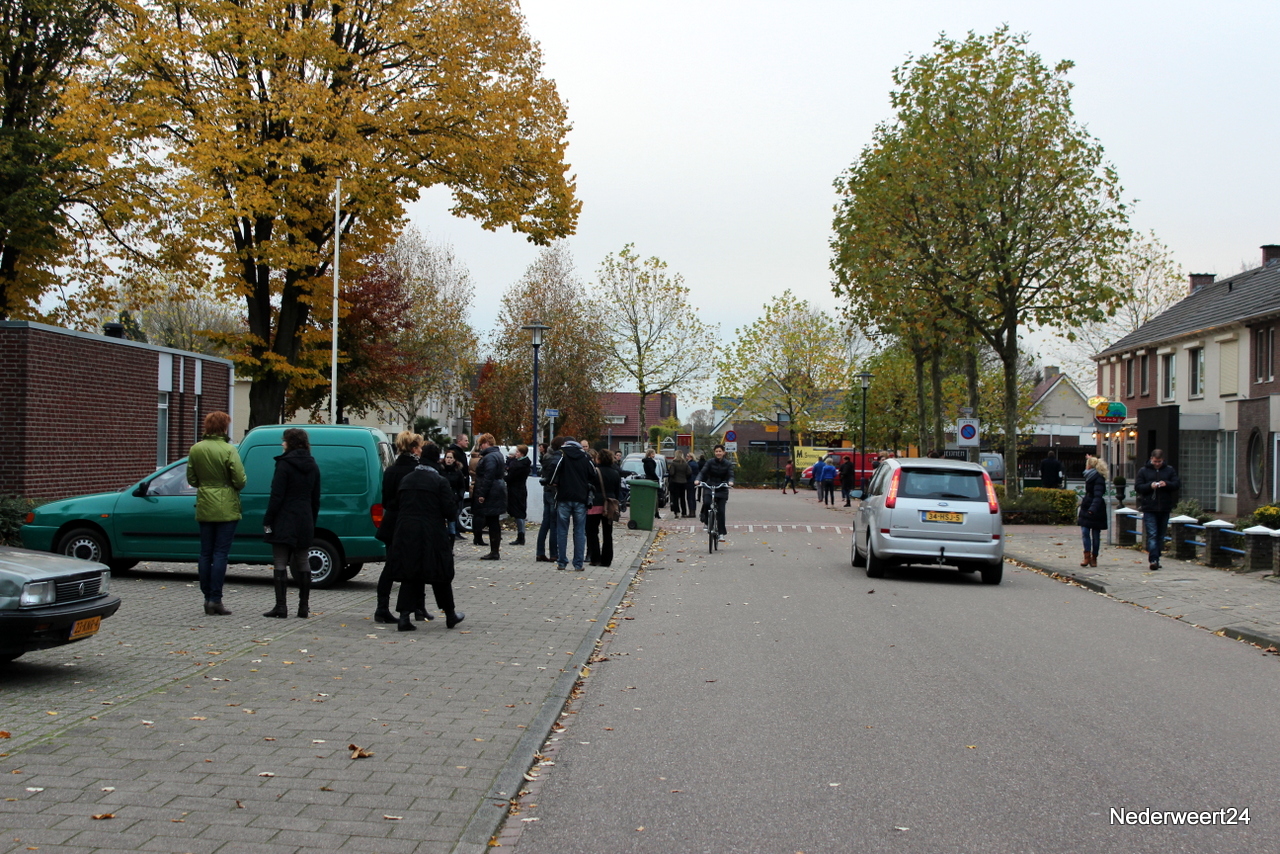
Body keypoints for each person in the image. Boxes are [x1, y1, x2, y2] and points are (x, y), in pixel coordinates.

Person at [388, 443, 463, 631]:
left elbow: (396, 504)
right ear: (437, 459)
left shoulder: (407, 480)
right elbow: (450, 512)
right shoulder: (439, 481)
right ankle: (450, 615)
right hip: (432, 533)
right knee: (440, 573)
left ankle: (404, 617)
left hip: (407, 532)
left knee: (410, 573)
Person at [186, 411, 246, 616]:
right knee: (220, 553)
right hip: (226, 505)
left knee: (205, 553)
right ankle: (216, 598)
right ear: (223, 427)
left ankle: (206, 597)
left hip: (205, 503)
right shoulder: (229, 449)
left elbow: (192, 479)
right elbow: (240, 480)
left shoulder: (196, 449)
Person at [262, 428, 321, 619]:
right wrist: (311, 519)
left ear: (290, 443)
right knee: (303, 560)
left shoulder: (284, 464)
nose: (282, 444)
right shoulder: (313, 465)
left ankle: (281, 606)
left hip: (284, 517)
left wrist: (268, 519)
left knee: (280, 560)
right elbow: (315, 498)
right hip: (305, 517)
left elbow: (276, 495)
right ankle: (303, 606)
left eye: (284, 441)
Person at [373, 432, 424, 623]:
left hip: (391, 523)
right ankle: (416, 607)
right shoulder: (416, 471)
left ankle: (382, 607)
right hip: (410, 523)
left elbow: (385, 500)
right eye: (419, 447)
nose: (421, 450)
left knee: (390, 567)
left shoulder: (390, 471)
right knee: (414, 565)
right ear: (414, 449)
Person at [548, 436, 596, 571]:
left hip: (564, 496)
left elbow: (553, 470)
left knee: (562, 530)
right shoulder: (585, 456)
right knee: (579, 531)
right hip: (581, 498)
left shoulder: (561, 454)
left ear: (565, 443)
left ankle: (562, 562)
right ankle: (578, 563)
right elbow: (593, 473)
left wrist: (552, 483)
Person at [1135, 449, 1181, 571]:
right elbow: (1138, 487)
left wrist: (1166, 484)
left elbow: (1176, 484)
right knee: (1152, 534)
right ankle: (1153, 560)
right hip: (1149, 507)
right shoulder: (1143, 471)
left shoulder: (1169, 470)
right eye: (1155, 461)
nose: (1157, 464)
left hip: (1164, 507)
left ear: (1163, 460)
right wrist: (1150, 486)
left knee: (1161, 535)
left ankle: (1157, 557)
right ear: (1151, 459)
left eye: (1159, 462)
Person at [473, 433, 508, 560]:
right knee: (493, 521)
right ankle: (494, 550)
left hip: (491, 491)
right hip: (497, 490)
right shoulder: (497, 455)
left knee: (492, 521)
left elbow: (488, 476)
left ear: (486, 443)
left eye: (481, 444)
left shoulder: (490, 457)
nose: (480, 447)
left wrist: (482, 493)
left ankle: (494, 551)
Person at [588, 448, 622, 567]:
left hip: (595, 504)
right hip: (610, 505)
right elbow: (617, 491)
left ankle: (595, 558)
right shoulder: (615, 473)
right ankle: (606, 560)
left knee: (592, 531)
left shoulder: (595, 472)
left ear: (599, 459)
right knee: (608, 533)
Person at [696, 444, 735, 544]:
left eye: (720, 451)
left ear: (723, 452)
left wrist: (730, 482)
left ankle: (721, 533)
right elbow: (702, 472)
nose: (718, 453)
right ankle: (706, 522)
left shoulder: (728, 464)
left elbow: (731, 474)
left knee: (721, 511)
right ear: (714, 452)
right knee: (707, 502)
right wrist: (698, 480)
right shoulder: (710, 462)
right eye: (716, 451)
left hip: (722, 488)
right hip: (710, 486)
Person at [537, 436, 565, 563]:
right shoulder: (557, 458)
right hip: (554, 491)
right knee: (554, 524)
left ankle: (540, 552)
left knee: (545, 522)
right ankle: (554, 553)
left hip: (546, 491)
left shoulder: (546, 457)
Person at [1077, 455, 1109, 568]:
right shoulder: (1090, 476)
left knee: (1095, 534)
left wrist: (1092, 509)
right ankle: (1087, 555)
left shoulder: (1098, 478)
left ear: (1090, 466)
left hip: (1095, 509)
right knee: (1085, 531)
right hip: (1087, 505)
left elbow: (1098, 495)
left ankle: (1094, 557)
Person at [440, 448, 469, 541]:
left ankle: (452, 536)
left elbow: (462, 486)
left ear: (454, 459)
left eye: (451, 458)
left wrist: (459, 496)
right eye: (447, 457)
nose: (448, 460)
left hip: (453, 498)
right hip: (441, 498)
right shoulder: (440, 470)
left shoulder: (458, 472)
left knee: (452, 519)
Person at [506, 444, 532, 546]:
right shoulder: (522, 463)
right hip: (519, 489)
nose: (515, 454)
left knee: (519, 513)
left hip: (517, 490)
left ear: (522, 453)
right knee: (519, 512)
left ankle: (521, 536)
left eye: (517, 452)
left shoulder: (519, 465)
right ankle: (520, 535)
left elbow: (511, 477)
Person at [668, 451, 690, 517]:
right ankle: (684, 512)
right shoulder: (685, 463)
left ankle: (677, 512)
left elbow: (672, 473)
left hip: (675, 482)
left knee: (676, 498)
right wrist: (685, 477)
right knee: (683, 498)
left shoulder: (674, 463)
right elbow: (689, 472)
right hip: (683, 482)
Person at [642, 448, 661, 519]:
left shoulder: (645, 461)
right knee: (655, 497)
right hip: (652, 480)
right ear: (650, 454)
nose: (654, 455)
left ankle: (650, 511)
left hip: (647, 479)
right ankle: (656, 512)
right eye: (653, 454)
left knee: (648, 497)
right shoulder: (650, 462)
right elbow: (652, 471)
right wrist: (657, 478)